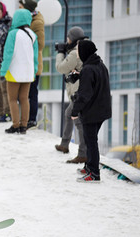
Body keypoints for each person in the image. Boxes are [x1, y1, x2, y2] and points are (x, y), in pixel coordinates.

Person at [71, 40, 112, 182]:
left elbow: (84, 95)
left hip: (92, 111)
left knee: (90, 141)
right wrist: (80, 76)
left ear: (84, 52)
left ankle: (94, 173)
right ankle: (89, 166)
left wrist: (75, 111)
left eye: (78, 52)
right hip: (102, 109)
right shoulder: (99, 65)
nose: (77, 55)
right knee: (90, 139)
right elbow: (96, 85)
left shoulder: (88, 69)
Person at [0, 8, 38, 134]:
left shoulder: (13, 33)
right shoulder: (33, 35)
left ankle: (15, 125)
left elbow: (8, 54)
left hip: (14, 72)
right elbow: (35, 56)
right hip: (28, 73)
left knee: (12, 99)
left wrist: (3, 71)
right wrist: (34, 71)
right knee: (24, 98)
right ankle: (24, 126)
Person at [54, 26, 88, 164]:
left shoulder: (75, 53)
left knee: (78, 121)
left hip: (78, 92)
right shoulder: (84, 48)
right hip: (82, 90)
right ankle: (64, 144)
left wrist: (61, 52)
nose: (66, 41)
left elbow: (61, 68)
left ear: (73, 39)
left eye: (68, 39)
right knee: (69, 114)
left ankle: (83, 154)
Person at [18, 0, 44, 130]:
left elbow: (40, 44)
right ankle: (24, 119)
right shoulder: (28, 20)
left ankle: (31, 119)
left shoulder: (37, 22)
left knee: (31, 93)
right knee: (23, 93)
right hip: (24, 63)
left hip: (33, 64)